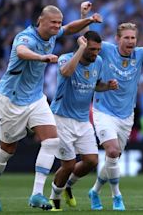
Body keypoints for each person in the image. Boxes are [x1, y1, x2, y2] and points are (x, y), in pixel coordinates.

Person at [0, 3, 102, 212]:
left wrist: (88, 20)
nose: (57, 26)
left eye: (58, 23)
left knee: (51, 141)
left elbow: (70, 29)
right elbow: (21, 51)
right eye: (53, 23)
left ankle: (37, 194)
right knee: (7, 149)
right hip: (12, 99)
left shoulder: (53, 35)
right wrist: (41, 57)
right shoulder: (26, 37)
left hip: (36, 99)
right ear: (40, 21)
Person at [61, 15, 143, 211]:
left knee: (113, 158)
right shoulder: (106, 49)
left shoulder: (140, 55)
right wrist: (83, 15)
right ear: (117, 39)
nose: (130, 41)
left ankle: (93, 191)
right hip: (103, 110)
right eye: (126, 38)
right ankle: (117, 197)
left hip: (126, 116)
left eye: (133, 38)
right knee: (112, 151)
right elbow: (86, 40)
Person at [48, 31, 118, 211]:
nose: (96, 53)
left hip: (83, 120)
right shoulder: (66, 59)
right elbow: (66, 72)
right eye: (92, 49)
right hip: (62, 118)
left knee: (91, 161)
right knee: (69, 164)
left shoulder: (99, 62)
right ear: (83, 45)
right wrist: (80, 48)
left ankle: (68, 186)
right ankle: (54, 198)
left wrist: (107, 87)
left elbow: (96, 85)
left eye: (98, 50)